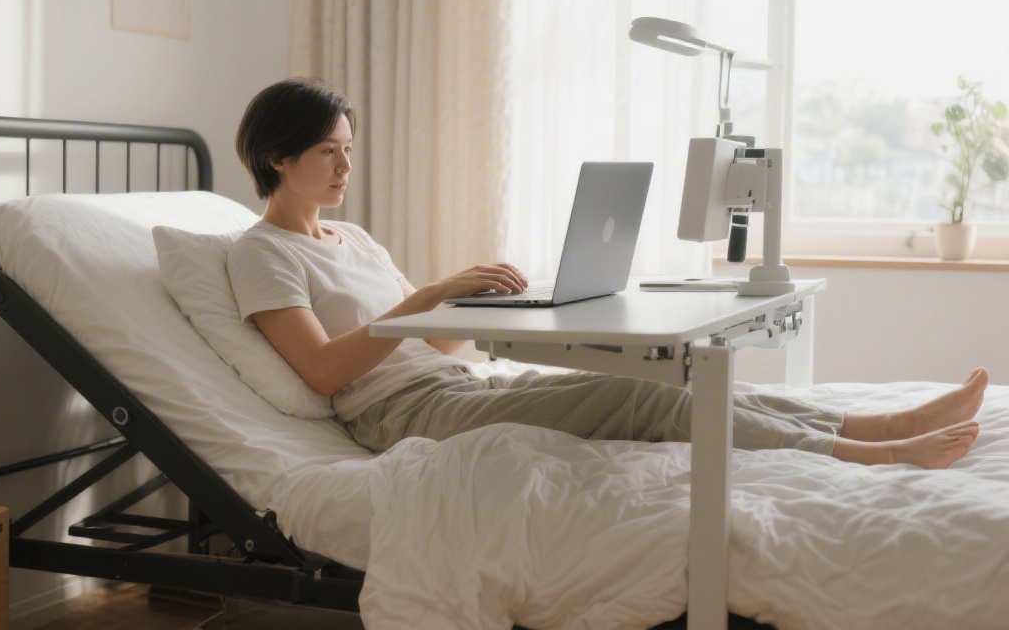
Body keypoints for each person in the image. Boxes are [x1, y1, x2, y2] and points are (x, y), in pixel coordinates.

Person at [226, 77, 985, 470]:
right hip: (400, 420)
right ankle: (871, 451)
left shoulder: (352, 236)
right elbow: (326, 372)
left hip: (450, 387)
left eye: (349, 148)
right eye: (329, 151)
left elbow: (430, 346)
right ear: (276, 158)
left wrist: (476, 308)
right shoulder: (260, 253)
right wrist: (430, 296)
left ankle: (881, 423)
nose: (345, 166)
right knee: (646, 403)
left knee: (670, 385)